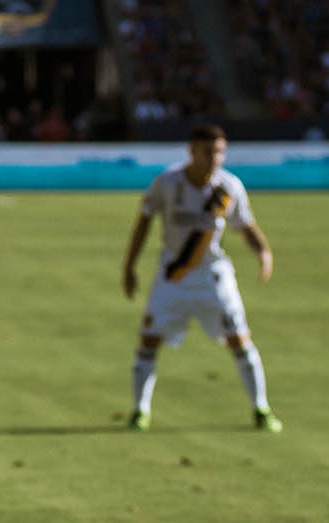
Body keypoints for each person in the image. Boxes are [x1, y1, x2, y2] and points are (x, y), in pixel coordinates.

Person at [121, 124, 282, 432]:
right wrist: (129, 266)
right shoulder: (167, 183)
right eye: (207, 151)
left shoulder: (229, 187)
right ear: (192, 151)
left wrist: (264, 253)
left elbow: (245, 226)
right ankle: (140, 411)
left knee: (239, 338)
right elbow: (144, 219)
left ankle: (261, 408)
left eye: (219, 151)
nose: (213, 158)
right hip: (173, 273)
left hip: (212, 274)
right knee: (149, 339)